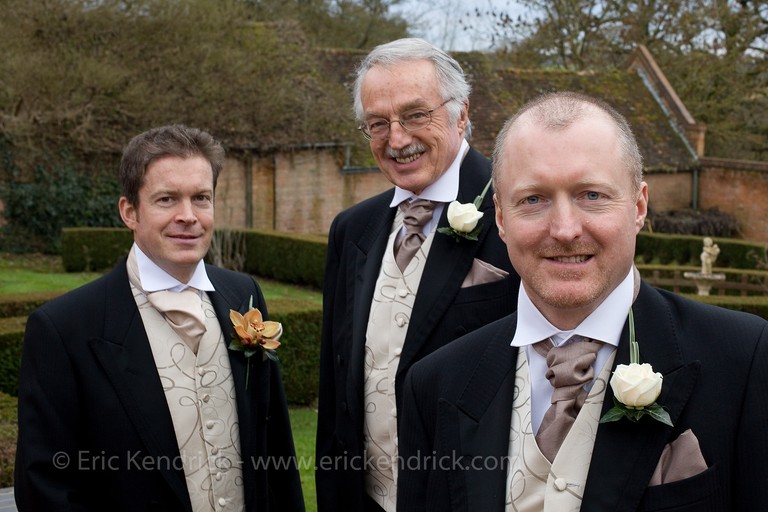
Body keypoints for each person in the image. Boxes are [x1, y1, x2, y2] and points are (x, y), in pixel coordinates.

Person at [397, 92, 768, 511]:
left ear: (639, 206)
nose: (565, 229)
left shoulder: (744, 360)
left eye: (591, 195)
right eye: (533, 199)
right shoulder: (435, 384)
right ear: (500, 218)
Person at [15, 125, 305, 511]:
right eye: (167, 199)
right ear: (129, 212)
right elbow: (45, 488)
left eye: (201, 198)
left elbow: (275, 447)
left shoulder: (242, 294)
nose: (188, 216)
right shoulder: (64, 328)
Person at [315, 38, 520, 512]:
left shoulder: (518, 212)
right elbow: (337, 383)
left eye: (414, 115)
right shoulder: (352, 230)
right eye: (378, 123)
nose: (396, 139)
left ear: (460, 114)